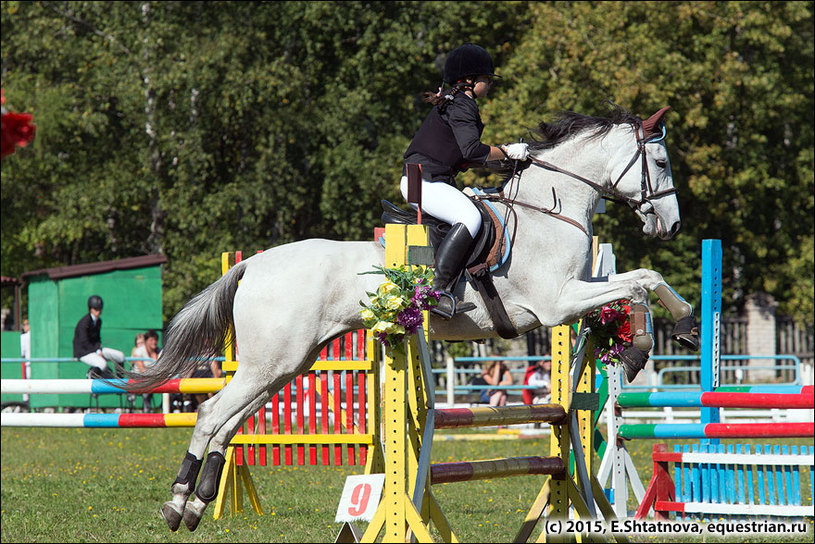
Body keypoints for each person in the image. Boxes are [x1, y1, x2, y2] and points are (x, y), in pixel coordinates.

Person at [402, 43, 529, 319]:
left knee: (473, 207)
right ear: (470, 80)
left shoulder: (456, 102)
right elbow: (473, 150)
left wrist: (506, 159)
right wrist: (507, 150)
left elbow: (466, 157)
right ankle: (436, 293)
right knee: (470, 217)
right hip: (424, 181)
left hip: (429, 179)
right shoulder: (462, 104)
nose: (489, 85)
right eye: (486, 79)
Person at [72, 295, 125, 379]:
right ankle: (91, 375)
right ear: (90, 309)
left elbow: (97, 339)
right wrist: (96, 351)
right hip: (83, 352)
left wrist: (98, 349)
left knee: (120, 356)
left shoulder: (99, 321)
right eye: (96, 309)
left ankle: (120, 382)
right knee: (102, 364)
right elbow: (84, 341)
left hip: (94, 349)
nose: (98, 311)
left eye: (100, 309)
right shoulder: (84, 322)